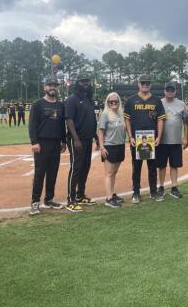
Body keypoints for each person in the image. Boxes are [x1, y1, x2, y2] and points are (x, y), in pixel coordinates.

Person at [124, 74, 166, 203]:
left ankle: (153, 192)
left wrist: (159, 136)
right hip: (136, 139)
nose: (145, 85)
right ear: (138, 84)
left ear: (150, 85)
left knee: (152, 167)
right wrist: (130, 136)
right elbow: (127, 120)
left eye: (147, 83)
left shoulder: (156, 100)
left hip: (151, 140)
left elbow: (160, 120)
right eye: (143, 83)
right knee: (136, 167)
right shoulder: (131, 100)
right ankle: (136, 193)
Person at [28, 77, 66, 215]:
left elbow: (62, 125)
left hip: (56, 143)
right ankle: (35, 202)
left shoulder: (60, 105)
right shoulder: (38, 104)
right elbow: (32, 124)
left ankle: (49, 199)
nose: (52, 88)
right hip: (42, 144)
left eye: (54, 85)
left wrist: (64, 141)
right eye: (50, 85)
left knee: (52, 173)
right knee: (39, 173)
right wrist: (34, 142)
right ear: (44, 87)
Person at [65, 73, 99, 212]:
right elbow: (69, 120)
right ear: (77, 83)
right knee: (76, 168)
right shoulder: (72, 100)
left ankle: (80, 195)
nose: (85, 84)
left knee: (85, 167)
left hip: (88, 138)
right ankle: (70, 199)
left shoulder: (89, 100)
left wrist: (96, 136)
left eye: (87, 81)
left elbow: (91, 120)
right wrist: (76, 139)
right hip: (76, 139)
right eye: (82, 81)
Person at [156, 81, 188, 200]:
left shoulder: (181, 104)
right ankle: (161, 186)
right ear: (164, 91)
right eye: (167, 90)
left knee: (174, 165)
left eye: (172, 90)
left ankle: (174, 187)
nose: (169, 92)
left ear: (175, 91)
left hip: (176, 141)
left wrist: (186, 137)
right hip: (161, 141)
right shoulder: (158, 103)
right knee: (161, 165)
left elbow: (186, 122)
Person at [97, 92, 126, 208]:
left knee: (114, 172)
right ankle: (108, 198)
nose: (113, 103)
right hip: (109, 146)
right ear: (107, 103)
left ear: (119, 102)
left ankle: (112, 194)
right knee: (109, 173)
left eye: (116, 101)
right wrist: (102, 147)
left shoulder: (120, 114)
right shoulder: (105, 114)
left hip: (120, 145)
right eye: (111, 102)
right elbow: (101, 132)